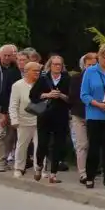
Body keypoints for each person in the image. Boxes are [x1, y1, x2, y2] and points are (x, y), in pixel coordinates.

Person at [80, 44, 105, 189]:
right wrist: (97, 104)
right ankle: (90, 176)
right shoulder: (90, 71)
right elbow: (84, 94)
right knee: (94, 147)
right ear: (99, 57)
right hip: (94, 114)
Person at [31, 54, 74, 184]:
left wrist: (60, 95)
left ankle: (53, 173)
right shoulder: (44, 78)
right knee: (43, 143)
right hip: (45, 114)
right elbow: (33, 96)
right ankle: (39, 166)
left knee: (58, 145)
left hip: (60, 115)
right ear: (50, 65)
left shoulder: (67, 78)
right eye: (55, 64)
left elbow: (71, 98)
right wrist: (48, 95)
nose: (57, 67)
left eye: (59, 64)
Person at [9, 59, 41, 177]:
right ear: (26, 71)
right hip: (23, 120)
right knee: (22, 145)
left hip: (39, 120)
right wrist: (14, 119)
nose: (37, 73)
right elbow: (13, 104)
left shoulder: (42, 84)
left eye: (39, 71)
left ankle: (39, 169)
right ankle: (19, 167)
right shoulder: (18, 85)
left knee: (40, 146)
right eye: (35, 71)